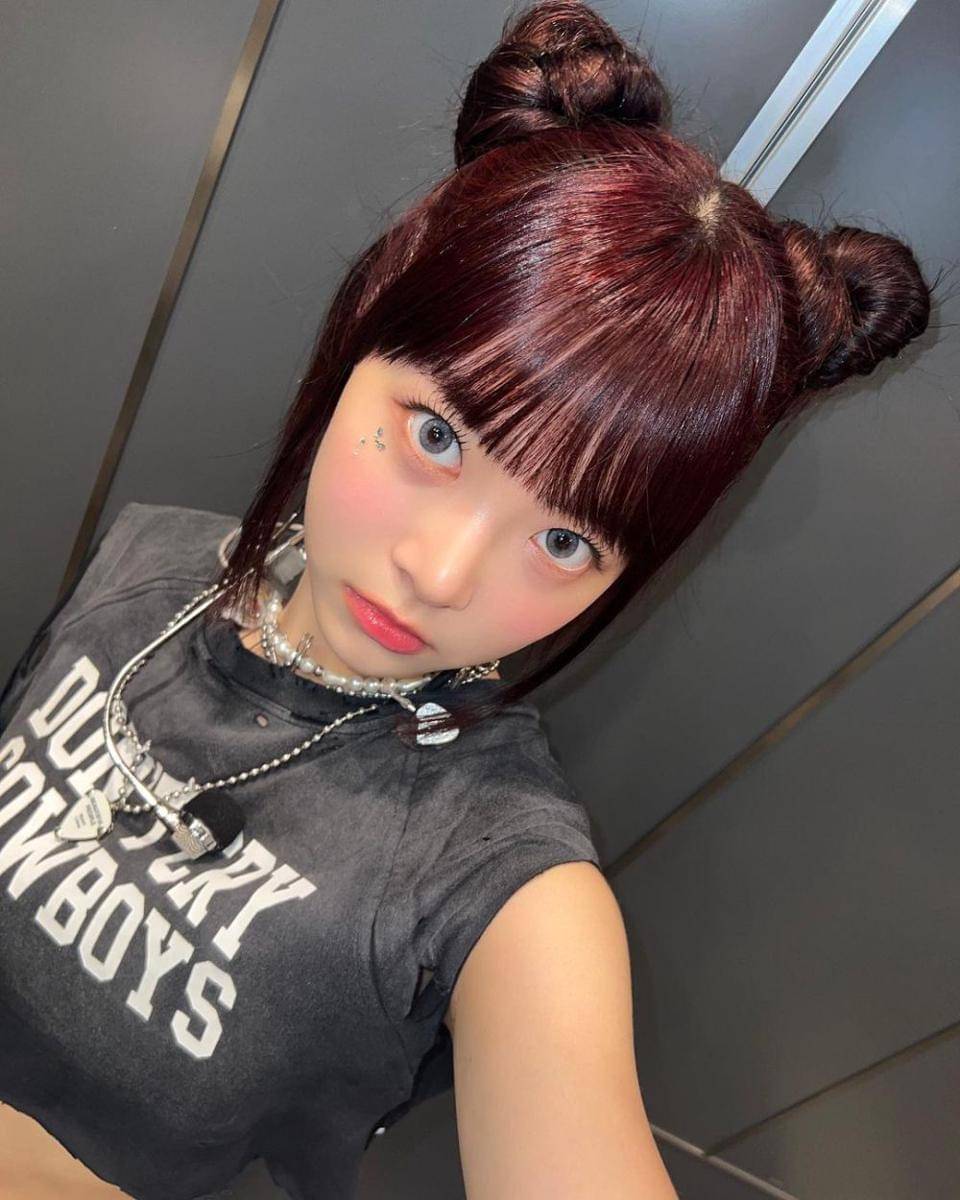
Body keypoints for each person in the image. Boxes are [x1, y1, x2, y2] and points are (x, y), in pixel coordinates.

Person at [0, 2, 934, 1199]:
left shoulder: (498, 879)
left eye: (563, 538)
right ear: (361, 338)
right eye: (437, 436)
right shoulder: (148, 555)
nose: (440, 578)